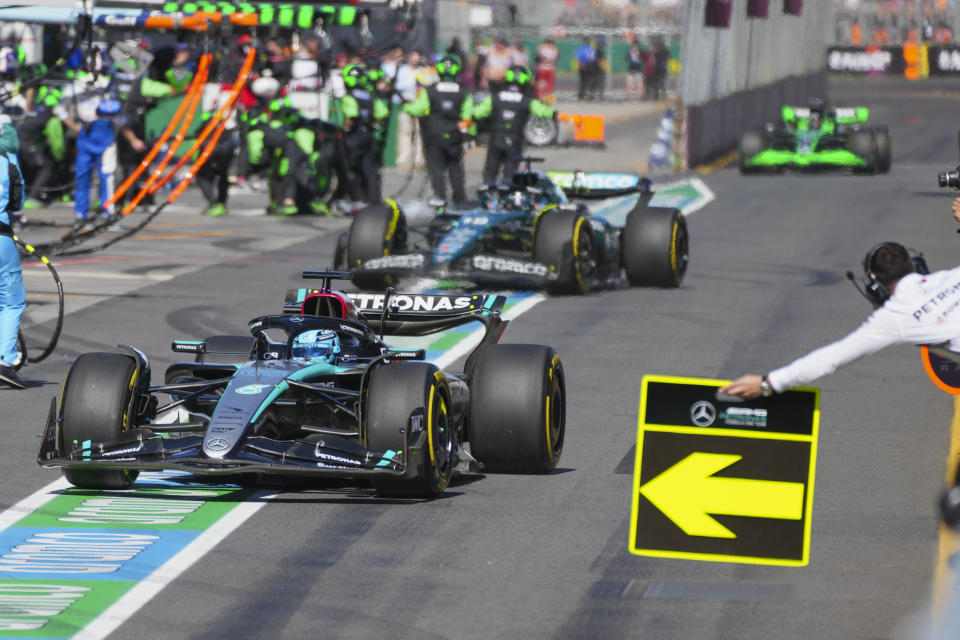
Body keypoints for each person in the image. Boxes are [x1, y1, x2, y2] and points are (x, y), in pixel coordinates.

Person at [720, 242, 960, 400]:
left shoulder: (897, 315)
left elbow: (832, 358)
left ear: (875, 288)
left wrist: (767, 383)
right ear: (914, 265)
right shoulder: (953, 274)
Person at [402, 53, 472, 205]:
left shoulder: (430, 90)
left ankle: (440, 198)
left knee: (436, 167)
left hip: (434, 134)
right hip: (454, 135)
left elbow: (419, 109)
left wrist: (406, 106)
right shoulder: (464, 91)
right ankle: (460, 199)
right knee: (455, 167)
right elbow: (467, 117)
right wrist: (464, 133)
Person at [473, 65, 555, 186]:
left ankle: (487, 198)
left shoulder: (495, 98)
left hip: (496, 139)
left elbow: (477, 113)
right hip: (515, 141)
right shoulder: (527, 101)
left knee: (489, 175)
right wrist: (565, 117)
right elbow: (546, 112)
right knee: (510, 177)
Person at [0, 116, 26, 389]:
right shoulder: (7, 159)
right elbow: (18, 201)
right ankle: (6, 361)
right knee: (11, 302)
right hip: (0, 235)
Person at [340, 63, 389, 204]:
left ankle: (357, 200)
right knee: (371, 171)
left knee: (352, 170)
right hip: (369, 137)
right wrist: (375, 126)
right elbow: (383, 114)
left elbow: (351, 117)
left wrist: (344, 131)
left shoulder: (349, 97)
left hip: (354, 138)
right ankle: (374, 201)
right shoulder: (370, 96)